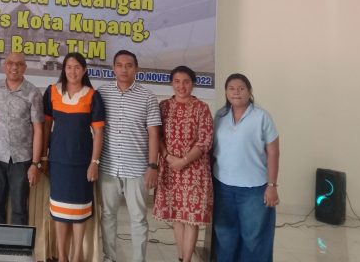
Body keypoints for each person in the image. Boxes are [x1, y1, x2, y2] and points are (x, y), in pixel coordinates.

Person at [98, 50, 161, 262]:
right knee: (107, 215)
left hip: (137, 169)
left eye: (129, 65)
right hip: (108, 167)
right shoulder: (102, 93)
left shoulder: (148, 97)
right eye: (119, 65)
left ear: (136, 68)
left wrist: (153, 165)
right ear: (113, 68)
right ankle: (110, 257)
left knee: (138, 218)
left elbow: (154, 133)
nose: (124, 69)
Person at [42, 52, 105, 262]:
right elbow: (46, 127)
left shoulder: (92, 95)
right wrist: (43, 156)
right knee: (60, 212)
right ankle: (62, 257)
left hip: (81, 163)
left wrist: (94, 163)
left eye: (77, 67)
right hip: (58, 161)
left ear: (85, 70)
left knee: (78, 212)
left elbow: (98, 134)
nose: (73, 71)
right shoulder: (52, 92)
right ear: (64, 69)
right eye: (69, 67)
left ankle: (77, 256)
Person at [212, 74, 279, 262]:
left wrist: (272, 185)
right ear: (226, 92)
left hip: (254, 189)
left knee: (254, 239)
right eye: (231, 88)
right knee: (225, 236)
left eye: (241, 88)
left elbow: (274, 153)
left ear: (249, 92)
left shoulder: (262, 117)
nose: (236, 92)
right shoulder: (220, 116)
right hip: (223, 186)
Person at [153, 65, 213, 262]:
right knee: (177, 216)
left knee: (191, 219)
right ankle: (181, 257)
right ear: (171, 83)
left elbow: (205, 140)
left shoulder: (201, 108)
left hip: (194, 171)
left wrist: (184, 161)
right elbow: (156, 136)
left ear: (193, 84)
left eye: (186, 81)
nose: (181, 86)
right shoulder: (163, 107)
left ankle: (186, 259)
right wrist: (170, 158)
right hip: (170, 168)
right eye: (177, 81)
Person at [0, 51, 44, 226]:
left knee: (19, 208)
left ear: (24, 67)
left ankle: (17, 249)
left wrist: (35, 164)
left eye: (19, 64)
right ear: (5, 65)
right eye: (10, 63)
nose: (14, 67)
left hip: (22, 160)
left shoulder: (33, 93)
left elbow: (38, 130)